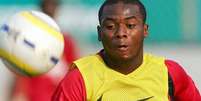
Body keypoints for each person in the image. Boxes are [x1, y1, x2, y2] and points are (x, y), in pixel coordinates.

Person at [52, 0, 201, 101]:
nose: (121, 33)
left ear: (145, 30)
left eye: (130, 25)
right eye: (110, 26)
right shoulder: (80, 79)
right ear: (99, 33)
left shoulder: (169, 73)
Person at [10, 0, 79, 101]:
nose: (50, 9)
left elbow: (75, 76)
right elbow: (20, 81)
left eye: (53, 4)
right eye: (47, 4)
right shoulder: (28, 40)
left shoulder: (66, 42)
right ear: (41, 7)